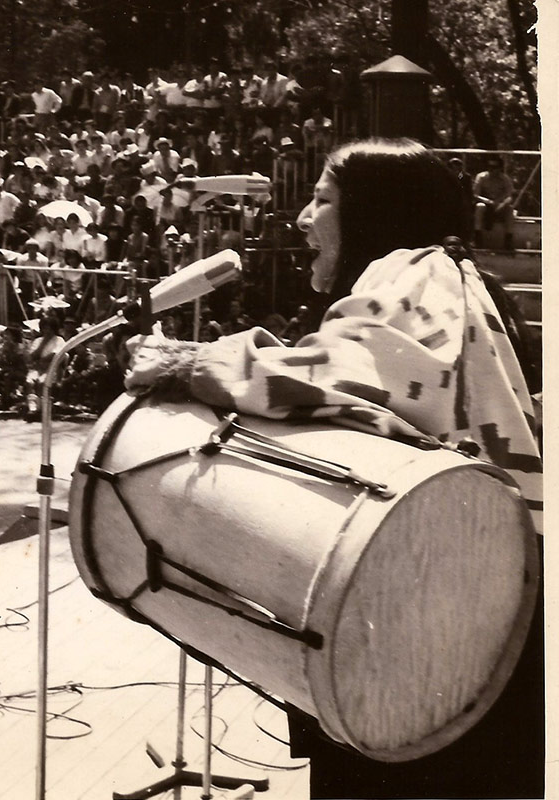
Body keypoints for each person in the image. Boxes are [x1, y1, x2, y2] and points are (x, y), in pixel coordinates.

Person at [124, 138, 542, 799]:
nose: (301, 218)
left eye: (321, 200)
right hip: (482, 610)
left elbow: (343, 376)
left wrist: (184, 365)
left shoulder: (413, 273)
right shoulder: (462, 281)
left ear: (376, 213)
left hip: (437, 634)